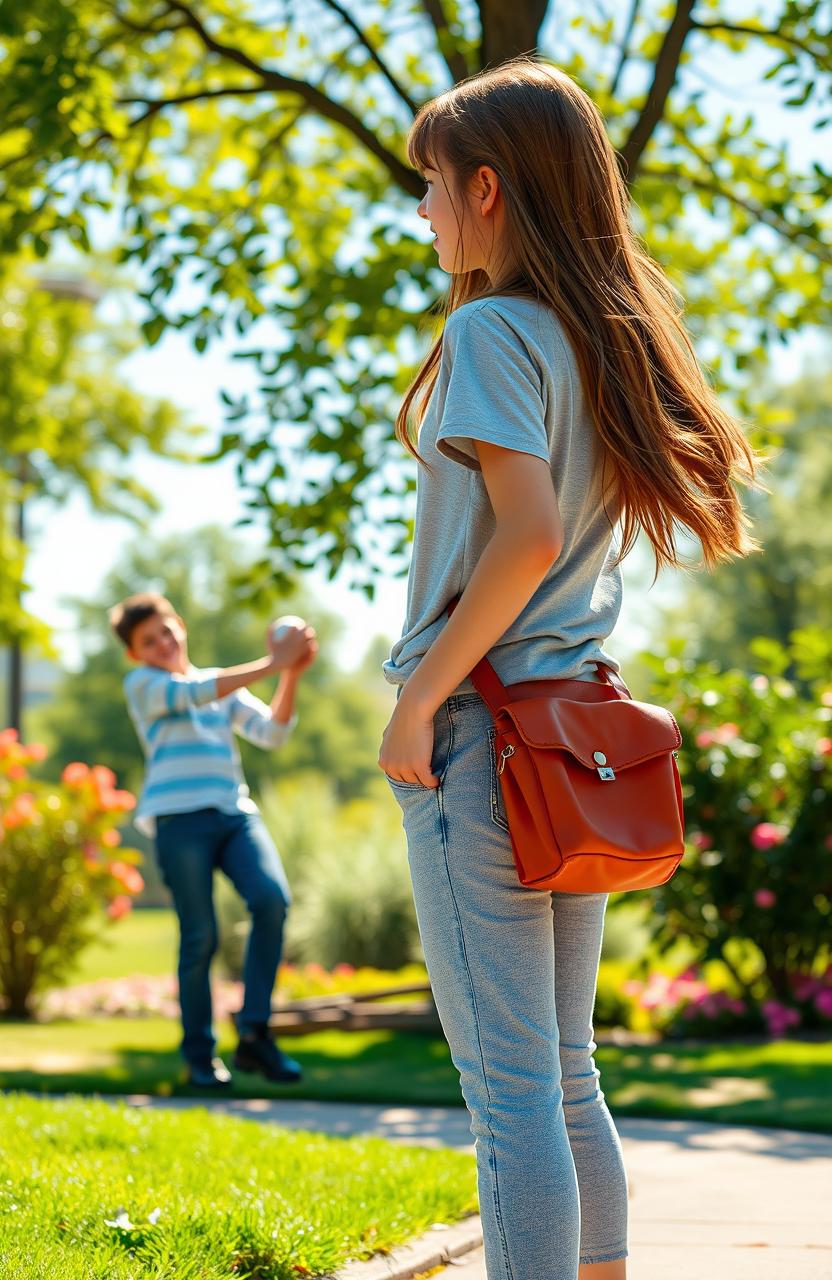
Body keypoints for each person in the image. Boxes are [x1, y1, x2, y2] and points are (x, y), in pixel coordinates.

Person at [379, 56, 762, 1280]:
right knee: (563, 1068)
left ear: (486, 189)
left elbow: (530, 534)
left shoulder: (490, 328)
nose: (422, 213)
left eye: (430, 186)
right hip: (567, 735)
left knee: (509, 1088)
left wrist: (418, 698)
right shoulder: (592, 342)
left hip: (482, 742)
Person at [110, 592, 318, 1089]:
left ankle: (254, 1037)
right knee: (199, 935)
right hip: (179, 823)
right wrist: (273, 662)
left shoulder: (222, 686)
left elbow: (272, 734)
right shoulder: (143, 685)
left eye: (166, 631)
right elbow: (194, 692)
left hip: (234, 818)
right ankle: (201, 1057)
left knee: (272, 901)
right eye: (148, 641)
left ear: (179, 626)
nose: (162, 643)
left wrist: (289, 674)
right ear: (135, 654)